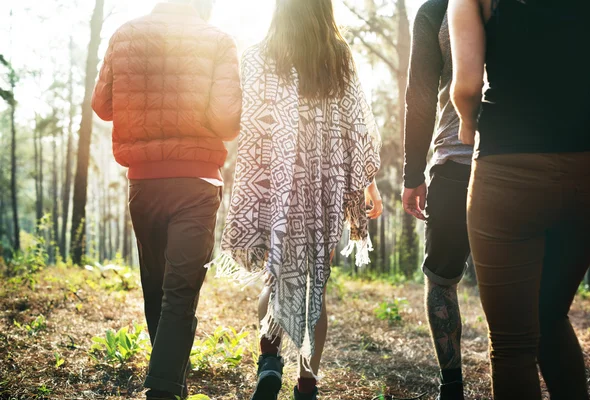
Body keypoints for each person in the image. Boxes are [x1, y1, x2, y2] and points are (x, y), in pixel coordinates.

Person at [209, 1, 382, 399]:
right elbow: (359, 127)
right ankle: (308, 383)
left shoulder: (257, 55)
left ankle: (269, 360)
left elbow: (249, 127)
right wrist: (366, 185)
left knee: (276, 273)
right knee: (314, 283)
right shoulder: (339, 59)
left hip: (277, 186)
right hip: (325, 185)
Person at [448, 0, 590, 398]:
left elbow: (466, 86)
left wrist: (468, 125)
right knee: (549, 315)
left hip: (507, 171)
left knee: (513, 344)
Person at [91, 0, 242, 399]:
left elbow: (102, 106)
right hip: (196, 183)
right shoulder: (218, 40)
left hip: (144, 183)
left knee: (156, 286)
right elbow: (227, 121)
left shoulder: (125, 34)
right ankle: (164, 388)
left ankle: (168, 383)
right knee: (180, 290)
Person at [402, 0, 473, 399]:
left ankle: (452, 386)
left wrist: (413, 175)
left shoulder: (436, 9)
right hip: (517, 156)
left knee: (442, 280)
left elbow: (421, 93)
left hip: (455, 161)